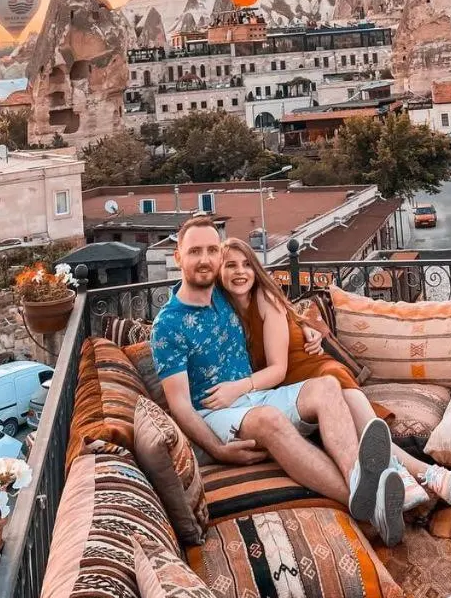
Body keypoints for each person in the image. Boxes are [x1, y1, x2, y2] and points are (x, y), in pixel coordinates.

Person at [151, 215, 405, 545]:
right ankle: (372, 508)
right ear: (178, 257)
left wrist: (309, 329)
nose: (204, 260)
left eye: (212, 250)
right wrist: (217, 449)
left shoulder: (223, 295)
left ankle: (360, 482)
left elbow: (275, 303)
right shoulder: (167, 326)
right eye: (195, 251)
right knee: (269, 419)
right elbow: (180, 405)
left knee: (327, 386)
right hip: (214, 414)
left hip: (254, 398)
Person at [217, 238, 451, 510]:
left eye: (246, 265)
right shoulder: (227, 312)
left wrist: (238, 388)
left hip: (318, 372)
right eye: (230, 266)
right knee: (360, 432)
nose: (240, 272)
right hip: (300, 385)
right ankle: (431, 477)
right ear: (219, 271)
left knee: (368, 431)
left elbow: (278, 368)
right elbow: (291, 320)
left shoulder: (263, 298)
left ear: (256, 270)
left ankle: (421, 476)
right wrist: (305, 329)